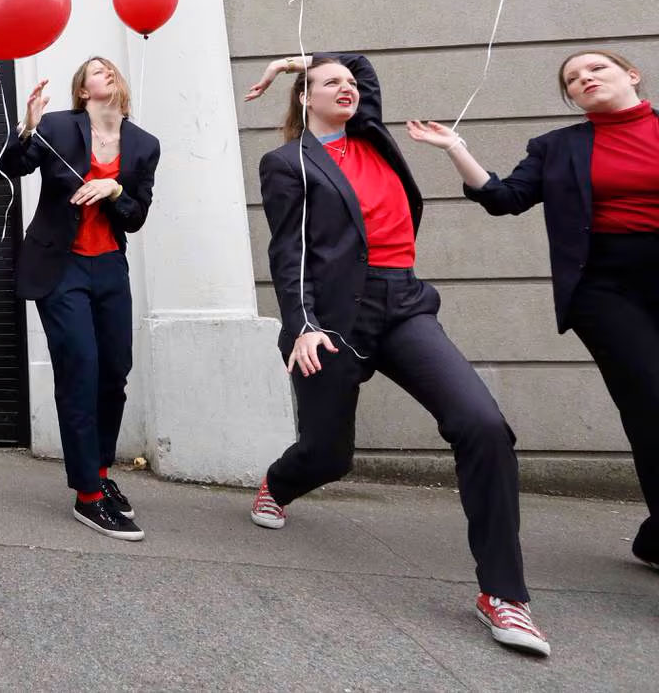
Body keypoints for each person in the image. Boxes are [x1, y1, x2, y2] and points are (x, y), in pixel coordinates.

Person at [245, 52, 549, 657]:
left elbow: (361, 68)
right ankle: (277, 484)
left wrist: (297, 59)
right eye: (330, 83)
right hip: (332, 318)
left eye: (352, 84)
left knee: (484, 426)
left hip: (404, 302)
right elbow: (290, 252)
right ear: (306, 99)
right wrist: (302, 325)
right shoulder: (287, 163)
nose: (348, 87)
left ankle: (504, 595)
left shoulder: (374, 139)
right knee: (329, 457)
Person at [408, 49, 659, 574]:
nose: (584, 78)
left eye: (597, 69)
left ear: (631, 75)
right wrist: (456, 148)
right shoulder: (558, 147)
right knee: (652, 406)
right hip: (606, 291)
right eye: (573, 79)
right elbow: (505, 198)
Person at [0, 57, 158, 540]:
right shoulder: (60, 127)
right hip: (59, 266)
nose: (106, 70)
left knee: (114, 373)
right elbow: (8, 167)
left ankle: (101, 475)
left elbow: (135, 217)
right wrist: (26, 127)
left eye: (111, 67)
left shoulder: (144, 145)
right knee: (80, 368)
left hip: (108, 267)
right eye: (96, 69)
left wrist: (113, 188)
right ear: (83, 91)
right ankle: (87, 495)